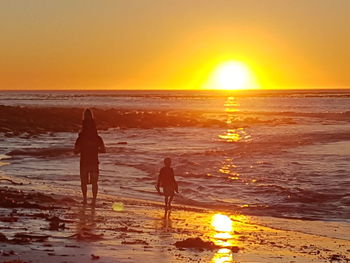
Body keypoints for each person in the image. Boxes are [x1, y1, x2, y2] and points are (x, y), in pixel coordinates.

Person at [74, 109, 106, 206]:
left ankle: (84, 199)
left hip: (84, 161)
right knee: (94, 182)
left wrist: (81, 150)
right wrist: (96, 150)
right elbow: (104, 150)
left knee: (83, 181)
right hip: (94, 161)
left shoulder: (81, 137)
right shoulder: (97, 138)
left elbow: (76, 150)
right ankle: (94, 200)